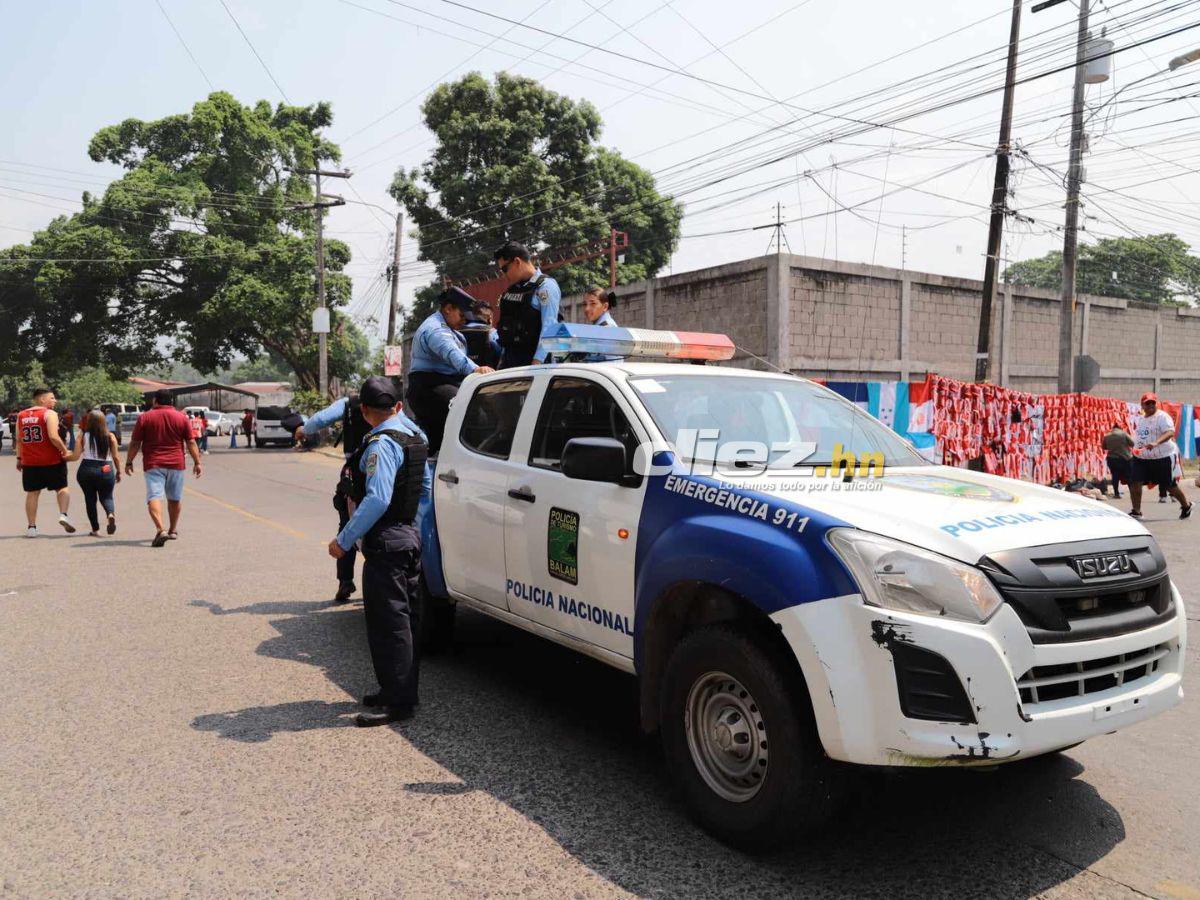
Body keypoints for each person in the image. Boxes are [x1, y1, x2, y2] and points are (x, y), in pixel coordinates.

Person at [327, 376, 429, 727]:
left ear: (366, 411)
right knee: (405, 621)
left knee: (390, 624)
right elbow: (424, 490)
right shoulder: (416, 438)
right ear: (399, 407)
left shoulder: (381, 445)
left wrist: (344, 540)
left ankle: (398, 703)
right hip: (408, 537)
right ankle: (397, 691)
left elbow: (377, 499)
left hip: (387, 541)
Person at [299, 390, 425, 603]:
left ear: (364, 408)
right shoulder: (393, 412)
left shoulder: (349, 403)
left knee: (348, 524)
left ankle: (345, 580)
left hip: (357, 477)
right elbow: (420, 437)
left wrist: (304, 429)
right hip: (399, 490)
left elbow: (320, 419)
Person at [405, 286, 494, 456]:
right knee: (474, 415)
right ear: (448, 309)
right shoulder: (435, 329)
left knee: (439, 441)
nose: (465, 321)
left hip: (444, 384)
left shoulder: (451, 329)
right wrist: (476, 369)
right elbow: (452, 353)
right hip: (429, 387)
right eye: (462, 315)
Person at [124, 390, 203, 547]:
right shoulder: (182, 417)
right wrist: (197, 462)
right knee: (175, 497)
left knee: (154, 496)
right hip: (176, 463)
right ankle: (173, 530)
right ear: (171, 402)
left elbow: (135, 442)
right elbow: (191, 442)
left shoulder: (145, 417)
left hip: (153, 464)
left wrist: (129, 461)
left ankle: (161, 530)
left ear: (155, 401)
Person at [15, 388, 74, 536]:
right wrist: (64, 450)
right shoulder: (50, 414)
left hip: (30, 462)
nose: (55, 401)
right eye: (52, 398)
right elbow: (53, 436)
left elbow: (19, 439)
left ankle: (31, 528)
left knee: (32, 493)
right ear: (42, 399)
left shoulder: (21, 415)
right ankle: (63, 514)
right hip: (52, 460)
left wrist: (19, 458)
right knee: (62, 488)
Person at [493, 241, 561, 369]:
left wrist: (537, 363)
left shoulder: (545, 287)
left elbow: (549, 328)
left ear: (517, 262)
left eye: (504, 269)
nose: (503, 274)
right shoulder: (512, 290)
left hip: (533, 366)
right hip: (511, 365)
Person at [1129, 392, 1192, 519]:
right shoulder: (1140, 419)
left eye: (1153, 402)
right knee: (1135, 482)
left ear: (1156, 403)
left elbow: (1170, 432)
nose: (1151, 405)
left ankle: (1186, 506)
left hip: (1162, 457)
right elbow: (1140, 437)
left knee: (1168, 485)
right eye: (1147, 403)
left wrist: (1156, 442)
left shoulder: (1163, 417)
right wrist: (1134, 448)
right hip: (1142, 458)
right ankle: (1136, 511)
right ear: (1142, 405)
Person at [68, 410, 122, 536]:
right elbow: (116, 457)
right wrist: (119, 471)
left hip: (87, 468)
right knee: (107, 496)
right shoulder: (110, 436)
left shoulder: (83, 434)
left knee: (90, 499)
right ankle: (110, 514)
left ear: (89, 421)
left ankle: (95, 529)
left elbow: (75, 455)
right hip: (106, 469)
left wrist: (63, 458)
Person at [574, 287, 622, 363]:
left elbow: (612, 364)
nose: (587, 309)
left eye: (593, 303)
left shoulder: (607, 329)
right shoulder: (599, 328)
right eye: (585, 304)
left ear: (605, 306)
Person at [1102, 421, 1134, 500]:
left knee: (1115, 476)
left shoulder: (1107, 436)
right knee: (1129, 476)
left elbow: (1104, 447)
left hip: (1112, 459)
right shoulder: (1124, 434)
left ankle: (1116, 493)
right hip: (1125, 458)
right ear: (1120, 428)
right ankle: (1132, 493)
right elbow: (1132, 443)